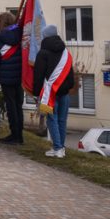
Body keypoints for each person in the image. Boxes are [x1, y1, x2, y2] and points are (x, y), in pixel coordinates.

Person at [33, 24, 75, 158]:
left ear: (45, 37)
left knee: (52, 119)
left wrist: (36, 93)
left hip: (49, 94)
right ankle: (61, 148)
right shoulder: (65, 52)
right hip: (65, 93)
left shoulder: (43, 53)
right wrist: (67, 87)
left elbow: (38, 75)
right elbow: (70, 74)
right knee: (62, 120)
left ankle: (57, 148)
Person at [0, 11, 23, 144]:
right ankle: (19, 135)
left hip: (6, 76)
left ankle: (14, 135)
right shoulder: (21, 35)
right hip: (19, 75)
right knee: (18, 106)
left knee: (11, 107)